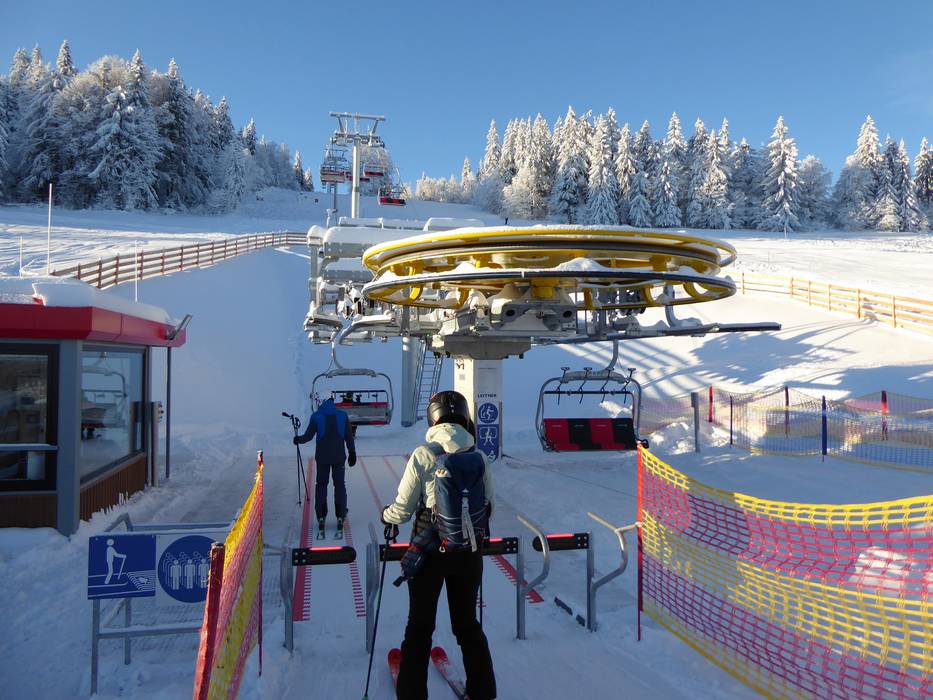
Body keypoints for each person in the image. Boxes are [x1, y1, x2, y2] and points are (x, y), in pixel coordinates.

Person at [381, 390, 497, 700]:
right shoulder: (479, 456)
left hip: (428, 552)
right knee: (467, 625)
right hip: (469, 551)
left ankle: (413, 694)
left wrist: (386, 515)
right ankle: (483, 691)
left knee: (419, 627)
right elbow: (489, 505)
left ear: (433, 419)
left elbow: (403, 510)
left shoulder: (423, 454)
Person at [294, 397, 356, 534]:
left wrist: (298, 439)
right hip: (339, 457)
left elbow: (308, 436)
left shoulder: (316, 416)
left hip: (322, 458)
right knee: (339, 485)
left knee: (321, 485)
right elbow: (349, 437)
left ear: (321, 401)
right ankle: (340, 515)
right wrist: (352, 452)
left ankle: (321, 516)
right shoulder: (342, 415)